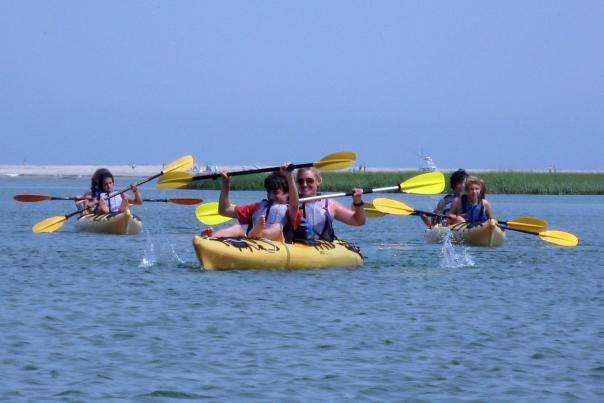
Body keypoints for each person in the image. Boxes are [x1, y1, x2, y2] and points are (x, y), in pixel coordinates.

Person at [201, 164, 299, 242]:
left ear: (288, 195)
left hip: (278, 242)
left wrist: (289, 176)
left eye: (276, 193)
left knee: (277, 227)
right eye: (269, 192)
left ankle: (259, 234)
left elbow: (295, 205)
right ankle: (210, 238)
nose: (271, 197)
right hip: (252, 240)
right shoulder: (257, 208)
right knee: (237, 228)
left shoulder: (291, 211)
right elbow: (224, 210)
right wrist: (226, 184)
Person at [288, 167, 365, 242]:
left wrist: (357, 201)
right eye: (300, 181)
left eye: (309, 180)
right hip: (297, 247)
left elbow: (358, 221)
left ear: (318, 181)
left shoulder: (330, 204)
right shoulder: (290, 204)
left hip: (325, 249)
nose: (304, 184)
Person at [75, 168, 142, 215]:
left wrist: (136, 191)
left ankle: (124, 208)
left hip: (119, 212)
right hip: (105, 214)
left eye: (110, 183)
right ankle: (105, 211)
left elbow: (139, 202)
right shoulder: (99, 195)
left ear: (113, 183)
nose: (109, 186)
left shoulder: (120, 194)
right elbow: (89, 205)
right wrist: (96, 202)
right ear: (102, 186)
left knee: (125, 201)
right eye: (106, 184)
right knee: (99, 207)